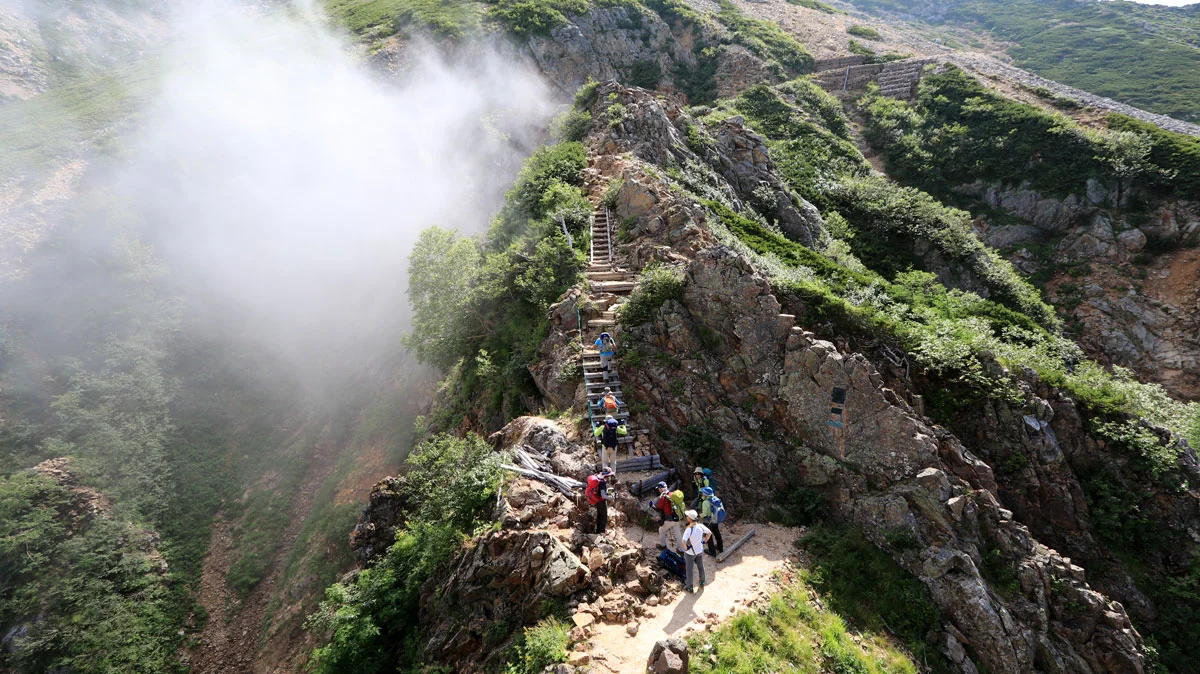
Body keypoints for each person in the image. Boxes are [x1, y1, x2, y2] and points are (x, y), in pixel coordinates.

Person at [681, 509, 712, 593]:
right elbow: (709, 533)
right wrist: (704, 541)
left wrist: (686, 548)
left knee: (689, 570)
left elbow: (683, 541)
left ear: (689, 519)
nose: (686, 517)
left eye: (687, 516)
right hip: (699, 551)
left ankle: (689, 587)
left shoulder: (688, 529)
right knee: (700, 567)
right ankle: (702, 582)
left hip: (690, 553)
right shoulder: (700, 526)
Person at [651, 481, 682, 550]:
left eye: (659, 488)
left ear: (661, 489)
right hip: (677, 517)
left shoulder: (663, 497)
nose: (658, 490)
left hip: (669, 519)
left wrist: (652, 506)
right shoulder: (672, 494)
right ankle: (682, 549)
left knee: (661, 530)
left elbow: (659, 509)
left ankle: (663, 546)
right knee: (678, 533)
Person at [586, 468, 615, 535]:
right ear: (607, 476)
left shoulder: (597, 476)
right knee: (603, 516)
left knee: (599, 514)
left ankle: (598, 530)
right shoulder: (602, 483)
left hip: (596, 499)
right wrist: (612, 497)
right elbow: (603, 495)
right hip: (600, 501)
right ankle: (601, 531)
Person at [698, 486, 724, 557]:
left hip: (708, 522)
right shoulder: (716, 499)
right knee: (717, 533)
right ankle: (720, 547)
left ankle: (712, 552)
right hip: (715, 520)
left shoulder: (705, 502)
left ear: (705, 494)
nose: (702, 494)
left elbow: (705, 514)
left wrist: (699, 515)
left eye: (703, 493)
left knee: (708, 536)